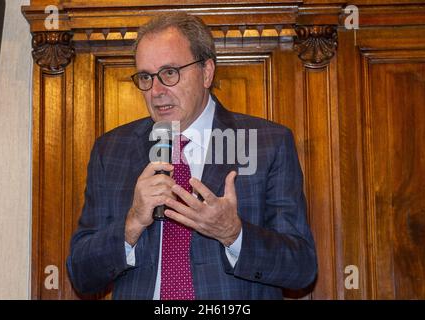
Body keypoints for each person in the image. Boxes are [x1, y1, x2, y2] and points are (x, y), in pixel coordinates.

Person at [66, 12, 317, 300]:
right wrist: (131, 223)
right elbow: (81, 274)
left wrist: (233, 234)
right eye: (146, 77)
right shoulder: (111, 151)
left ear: (206, 72)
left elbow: (302, 268)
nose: (156, 91)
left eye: (170, 73)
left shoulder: (267, 144)